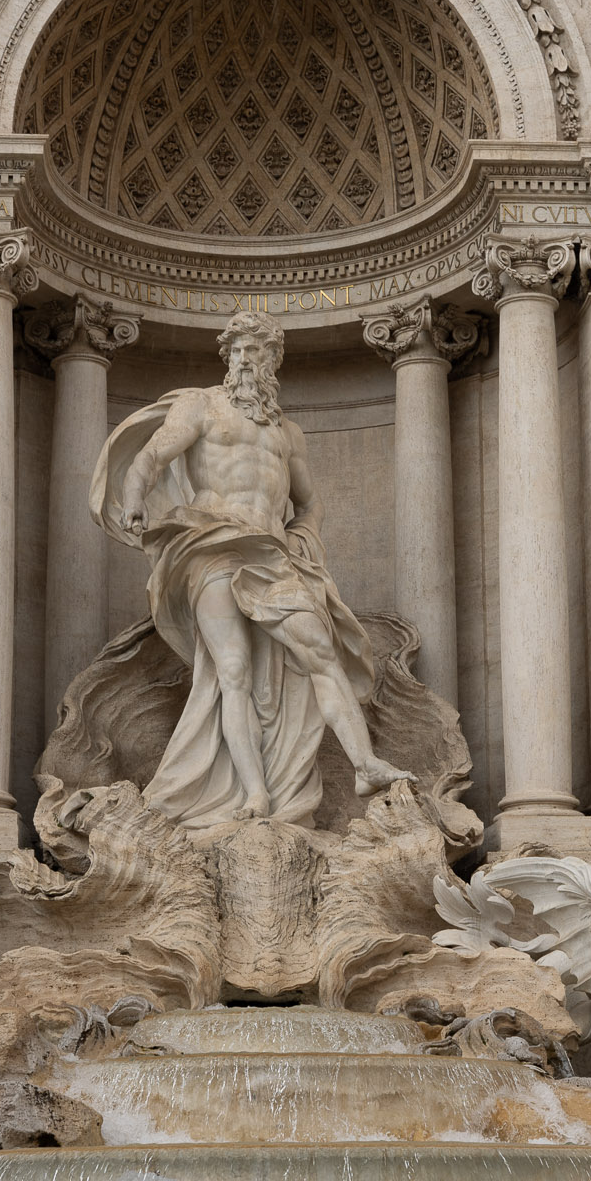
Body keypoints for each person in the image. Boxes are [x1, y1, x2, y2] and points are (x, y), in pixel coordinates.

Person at [94, 311, 412, 829]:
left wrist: (303, 540)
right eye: (237, 351)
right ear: (227, 357)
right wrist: (134, 501)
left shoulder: (287, 432)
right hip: (212, 547)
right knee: (233, 672)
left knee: (321, 650)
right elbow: (150, 458)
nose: (244, 360)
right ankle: (255, 794)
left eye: (255, 351)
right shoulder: (202, 406)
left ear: (272, 361)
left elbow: (309, 503)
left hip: (271, 553)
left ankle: (365, 764)